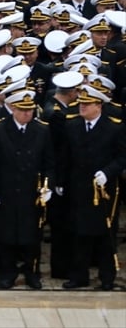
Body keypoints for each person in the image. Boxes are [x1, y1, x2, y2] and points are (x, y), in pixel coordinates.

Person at [0, 90, 54, 289]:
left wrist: (48, 186)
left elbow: (48, 163)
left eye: (30, 110)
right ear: (13, 108)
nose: (27, 114)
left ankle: (32, 272)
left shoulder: (42, 130)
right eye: (22, 110)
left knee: (32, 236)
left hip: (31, 192)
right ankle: (8, 272)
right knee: (6, 235)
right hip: (7, 191)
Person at [55, 89, 125, 290]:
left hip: (104, 191)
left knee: (105, 235)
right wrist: (60, 182)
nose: (82, 107)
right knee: (79, 234)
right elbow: (64, 157)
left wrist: (108, 172)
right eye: (80, 103)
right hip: (79, 187)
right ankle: (79, 276)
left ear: (99, 106)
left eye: (87, 104)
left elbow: (122, 157)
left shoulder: (114, 128)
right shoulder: (72, 125)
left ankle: (107, 277)